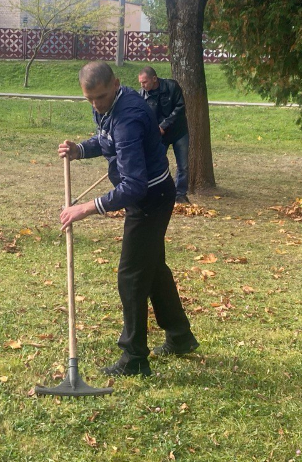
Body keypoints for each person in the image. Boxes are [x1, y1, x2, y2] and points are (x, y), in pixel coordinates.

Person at [59, 61, 198, 376]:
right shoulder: (110, 108)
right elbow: (107, 139)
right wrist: (80, 149)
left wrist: (87, 207)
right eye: (90, 99)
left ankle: (134, 358)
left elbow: (133, 186)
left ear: (117, 84)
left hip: (150, 199)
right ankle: (179, 336)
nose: (97, 104)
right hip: (148, 195)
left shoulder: (129, 117)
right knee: (153, 268)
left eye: (102, 97)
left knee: (131, 275)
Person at [138, 66, 190, 204]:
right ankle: (159, 192)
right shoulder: (142, 95)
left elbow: (180, 108)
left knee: (183, 165)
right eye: (140, 83)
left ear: (154, 79)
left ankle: (180, 195)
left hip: (179, 132)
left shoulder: (172, 86)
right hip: (159, 136)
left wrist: (163, 125)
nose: (142, 86)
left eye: (145, 82)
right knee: (157, 164)